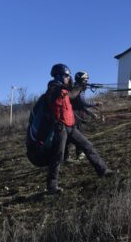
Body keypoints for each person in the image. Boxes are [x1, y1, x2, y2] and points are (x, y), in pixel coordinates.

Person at [46, 63, 115, 194]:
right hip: (60, 127)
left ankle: (103, 170)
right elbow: (70, 95)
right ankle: (52, 186)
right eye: (66, 76)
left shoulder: (64, 88)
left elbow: (74, 96)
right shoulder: (53, 88)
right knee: (58, 156)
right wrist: (79, 86)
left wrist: (81, 87)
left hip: (70, 126)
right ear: (59, 76)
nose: (68, 78)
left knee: (88, 146)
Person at [64, 71, 101, 162]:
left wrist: (91, 114)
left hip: (75, 115)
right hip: (75, 116)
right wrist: (95, 104)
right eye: (86, 79)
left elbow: (81, 106)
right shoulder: (77, 88)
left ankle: (67, 156)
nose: (87, 81)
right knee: (78, 136)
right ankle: (78, 154)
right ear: (81, 80)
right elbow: (82, 103)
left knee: (71, 137)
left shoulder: (76, 87)